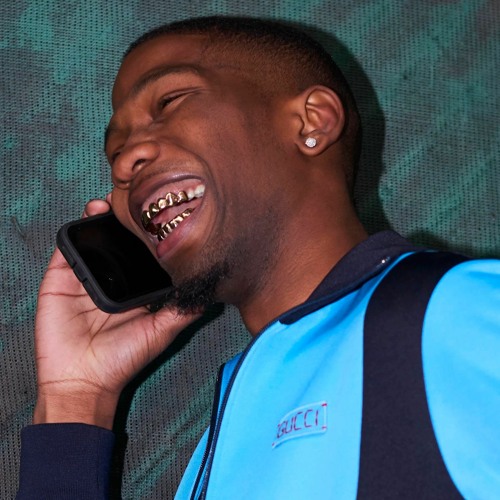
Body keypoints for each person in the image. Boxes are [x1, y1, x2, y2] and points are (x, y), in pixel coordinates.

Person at [17, 16, 500, 499]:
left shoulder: (455, 313)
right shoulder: (224, 435)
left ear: (312, 122)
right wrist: (75, 400)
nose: (124, 163)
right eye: (115, 151)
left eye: (170, 101)